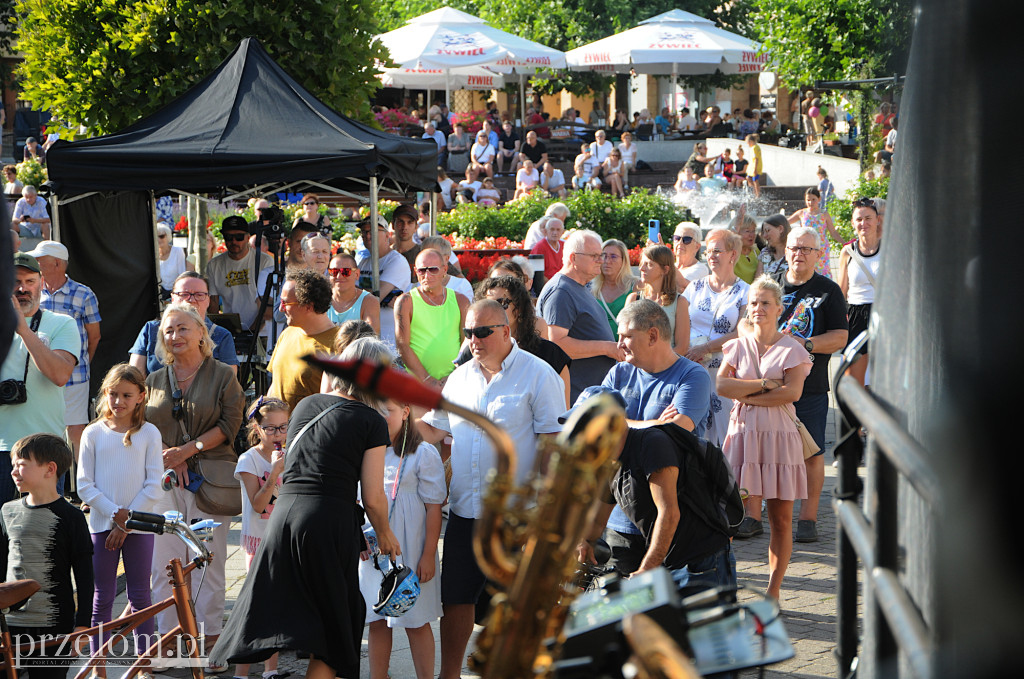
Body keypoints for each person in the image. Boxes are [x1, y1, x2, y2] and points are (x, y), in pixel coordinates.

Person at [212, 337, 402, 679]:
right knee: (332, 634)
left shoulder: (306, 406)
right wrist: (385, 535)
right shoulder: (371, 421)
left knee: (284, 614)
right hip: (329, 523)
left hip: (285, 518)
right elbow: (373, 496)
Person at [418, 299, 564, 679]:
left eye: (482, 332)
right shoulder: (461, 377)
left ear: (505, 331)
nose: (474, 339)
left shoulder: (539, 374)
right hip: (466, 511)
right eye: (468, 332)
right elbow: (434, 430)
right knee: (456, 600)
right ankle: (448, 675)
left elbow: (552, 442)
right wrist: (385, 424)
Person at [144, 303, 244, 661]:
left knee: (208, 565)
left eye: (183, 329)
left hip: (210, 483)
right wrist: (171, 454)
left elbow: (232, 424)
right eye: (168, 331)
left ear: (202, 332)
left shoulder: (222, 375)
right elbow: (143, 429)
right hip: (166, 480)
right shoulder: (154, 380)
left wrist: (188, 450)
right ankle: (169, 642)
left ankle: (212, 644)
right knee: (164, 567)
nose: (175, 336)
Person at [573, 386, 734, 593]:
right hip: (670, 561)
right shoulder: (609, 461)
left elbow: (668, 513)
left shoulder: (652, 444)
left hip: (702, 563)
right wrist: (584, 541)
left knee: (705, 625)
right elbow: (597, 520)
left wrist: (647, 569)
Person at [744, 226, 848, 543]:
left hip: (810, 387)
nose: (798, 254)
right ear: (785, 250)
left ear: (818, 254)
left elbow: (840, 337)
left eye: (806, 249)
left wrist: (804, 344)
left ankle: (808, 519)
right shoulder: (770, 289)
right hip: (768, 385)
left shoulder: (829, 290)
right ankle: (751, 515)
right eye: (793, 247)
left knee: (812, 454)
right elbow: (749, 325)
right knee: (758, 450)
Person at [718, 276, 811, 599]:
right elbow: (721, 386)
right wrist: (764, 385)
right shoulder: (737, 346)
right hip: (743, 435)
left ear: (779, 309)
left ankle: (773, 591)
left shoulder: (793, 349)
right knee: (729, 516)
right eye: (754, 302)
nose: (758, 308)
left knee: (781, 519)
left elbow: (793, 393)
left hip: (779, 438)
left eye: (765, 303)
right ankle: (724, 584)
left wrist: (748, 395)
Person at [76, 363, 162, 655]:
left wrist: (127, 522)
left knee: (140, 595)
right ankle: (98, 662)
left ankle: (144, 663)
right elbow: (85, 485)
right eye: (113, 394)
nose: (119, 402)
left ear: (141, 396)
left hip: (138, 528)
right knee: (102, 597)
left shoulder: (149, 433)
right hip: (102, 527)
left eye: (127, 395)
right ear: (105, 394)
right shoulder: (93, 433)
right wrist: (115, 515)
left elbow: (154, 484)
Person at [359, 394, 446, 679]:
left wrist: (427, 555)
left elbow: (434, 508)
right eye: (375, 410)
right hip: (375, 550)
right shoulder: (366, 451)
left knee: (415, 619)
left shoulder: (423, 453)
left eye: (389, 410)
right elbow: (358, 501)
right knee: (377, 619)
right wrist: (359, 539)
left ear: (406, 412)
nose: (382, 416)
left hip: (412, 545)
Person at [1, 434, 92, 678]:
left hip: (55, 624)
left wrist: (82, 624)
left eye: (21, 464)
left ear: (50, 469)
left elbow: (84, 575)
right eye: (13, 466)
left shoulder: (71, 517)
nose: (14, 471)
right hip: (9, 624)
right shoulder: (7, 511)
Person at [1, 253, 80, 505]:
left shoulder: (61, 324)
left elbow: (60, 375)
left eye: (30, 281)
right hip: (1, 446)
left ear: (42, 283)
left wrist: (23, 328)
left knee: (40, 535)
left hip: (42, 449)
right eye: (15, 281)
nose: (22, 288)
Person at [29, 240, 102, 464]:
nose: (35, 264)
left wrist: (76, 364)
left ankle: (84, 491)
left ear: (58, 264)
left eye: (39, 261)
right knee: (42, 432)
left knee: (77, 432)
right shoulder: (32, 293)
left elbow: (94, 336)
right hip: (37, 376)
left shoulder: (84, 294)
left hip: (75, 377)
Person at [232, 397, 289, 679]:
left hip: (282, 539)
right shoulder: (249, 460)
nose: (278, 435)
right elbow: (258, 504)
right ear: (257, 427)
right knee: (256, 607)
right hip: (259, 541)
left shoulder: (290, 454)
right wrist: (275, 473)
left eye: (283, 428)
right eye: (271, 429)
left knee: (275, 607)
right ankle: (242, 671)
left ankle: (271, 670)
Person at [681, 229, 750, 446]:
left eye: (718, 251)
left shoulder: (745, 291)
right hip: (693, 368)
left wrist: (706, 347)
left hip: (725, 373)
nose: (711, 256)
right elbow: (680, 324)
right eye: (709, 251)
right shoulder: (694, 287)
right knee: (692, 434)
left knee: (725, 436)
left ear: (733, 254)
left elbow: (741, 331)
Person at [538, 229, 623, 402]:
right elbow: (556, 344)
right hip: (575, 398)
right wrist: (607, 348)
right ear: (573, 258)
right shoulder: (561, 291)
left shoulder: (578, 286)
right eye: (594, 256)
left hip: (589, 395)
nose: (601, 260)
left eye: (601, 255)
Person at [129, 271, 239, 376]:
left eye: (199, 295)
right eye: (184, 294)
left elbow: (228, 384)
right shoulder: (151, 330)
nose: (191, 300)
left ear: (208, 300)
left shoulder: (222, 335)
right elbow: (135, 378)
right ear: (172, 298)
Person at [267, 269, 340, 412]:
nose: (281, 309)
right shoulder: (287, 334)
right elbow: (275, 386)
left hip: (311, 432)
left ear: (308, 306)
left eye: (285, 303)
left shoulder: (339, 344)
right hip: (278, 432)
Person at [395, 248, 470, 385]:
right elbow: (402, 345)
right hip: (418, 385)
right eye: (422, 270)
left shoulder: (461, 301)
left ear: (444, 270)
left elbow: (467, 343)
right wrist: (427, 380)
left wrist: (453, 377)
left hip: (455, 382)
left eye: (433, 269)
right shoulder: (406, 302)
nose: (427, 275)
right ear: (415, 271)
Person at [836, 197, 882, 388]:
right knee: (855, 382)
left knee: (884, 380)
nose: (864, 223)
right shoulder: (847, 252)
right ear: (853, 223)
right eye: (859, 219)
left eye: (868, 218)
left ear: (877, 220)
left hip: (884, 315)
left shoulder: (889, 248)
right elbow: (841, 290)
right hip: (855, 316)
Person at [207, 215, 273, 333]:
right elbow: (213, 305)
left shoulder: (265, 261)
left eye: (239, 237)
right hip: (231, 332)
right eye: (229, 237)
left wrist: (252, 331)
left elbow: (268, 303)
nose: (234, 241)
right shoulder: (214, 265)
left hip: (262, 332)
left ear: (248, 238)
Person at [356, 215, 411, 346]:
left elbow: (375, 297)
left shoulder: (396, 261)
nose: (368, 235)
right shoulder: (363, 262)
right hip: (367, 337)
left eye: (373, 231)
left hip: (391, 340)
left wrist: (358, 294)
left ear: (387, 235)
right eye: (364, 232)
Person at [627, 245, 687, 349]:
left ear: (665, 270)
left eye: (649, 264)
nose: (641, 268)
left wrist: (660, 364)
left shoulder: (680, 302)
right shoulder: (633, 299)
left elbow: (682, 347)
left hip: (668, 363)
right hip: (638, 363)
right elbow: (625, 339)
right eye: (642, 264)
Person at [787, 186, 843, 278]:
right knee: (807, 269)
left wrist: (845, 243)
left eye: (813, 199)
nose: (811, 202)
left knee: (823, 270)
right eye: (808, 200)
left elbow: (833, 232)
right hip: (806, 248)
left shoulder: (824, 214)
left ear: (819, 199)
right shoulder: (802, 213)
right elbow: (785, 223)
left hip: (822, 248)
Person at [591, 238, 637, 337]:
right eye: (604, 256)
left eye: (613, 256)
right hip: (598, 348)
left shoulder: (635, 286)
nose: (607, 261)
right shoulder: (591, 288)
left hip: (626, 348)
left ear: (623, 260)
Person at [327, 252, 380, 334]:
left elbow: (369, 339)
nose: (339, 276)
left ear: (357, 274)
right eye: (334, 271)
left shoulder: (369, 301)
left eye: (345, 272)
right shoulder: (321, 298)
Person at [157, 222, 194, 299]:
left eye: (161, 236)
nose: (158, 239)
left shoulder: (177, 251)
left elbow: (182, 274)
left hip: (176, 292)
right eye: (156, 236)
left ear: (168, 237)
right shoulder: (153, 254)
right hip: (159, 293)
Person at [669, 221, 708, 291]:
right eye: (677, 238)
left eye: (686, 240)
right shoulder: (669, 266)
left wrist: (665, 258)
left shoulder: (701, 269)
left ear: (697, 247)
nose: (680, 243)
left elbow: (683, 285)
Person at [389, 203, 422, 280]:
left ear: (416, 227)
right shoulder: (386, 254)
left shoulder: (423, 253)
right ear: (393, 225)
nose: (405, 227)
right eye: (401, 222)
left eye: (410, 222)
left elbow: (454, 276)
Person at [529, 216, 565, 283]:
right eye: (552, 229)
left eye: (558, 230)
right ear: (546, 231)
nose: (555, 233)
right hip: (547, 285)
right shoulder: (539, 247)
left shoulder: (565, 245)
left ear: (562, 232)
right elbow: (537, 275)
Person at [759, 214, 791, 283]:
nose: (764, 235)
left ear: (780, 229)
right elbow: (757, 282)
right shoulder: (765, 253)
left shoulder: (795, 253)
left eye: (767, 230)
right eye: (763, 232)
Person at [731, 213, 762, 284]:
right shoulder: (731, 253)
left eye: (753, 231)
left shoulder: (756, 251)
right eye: (747, 231)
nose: (752, 235)